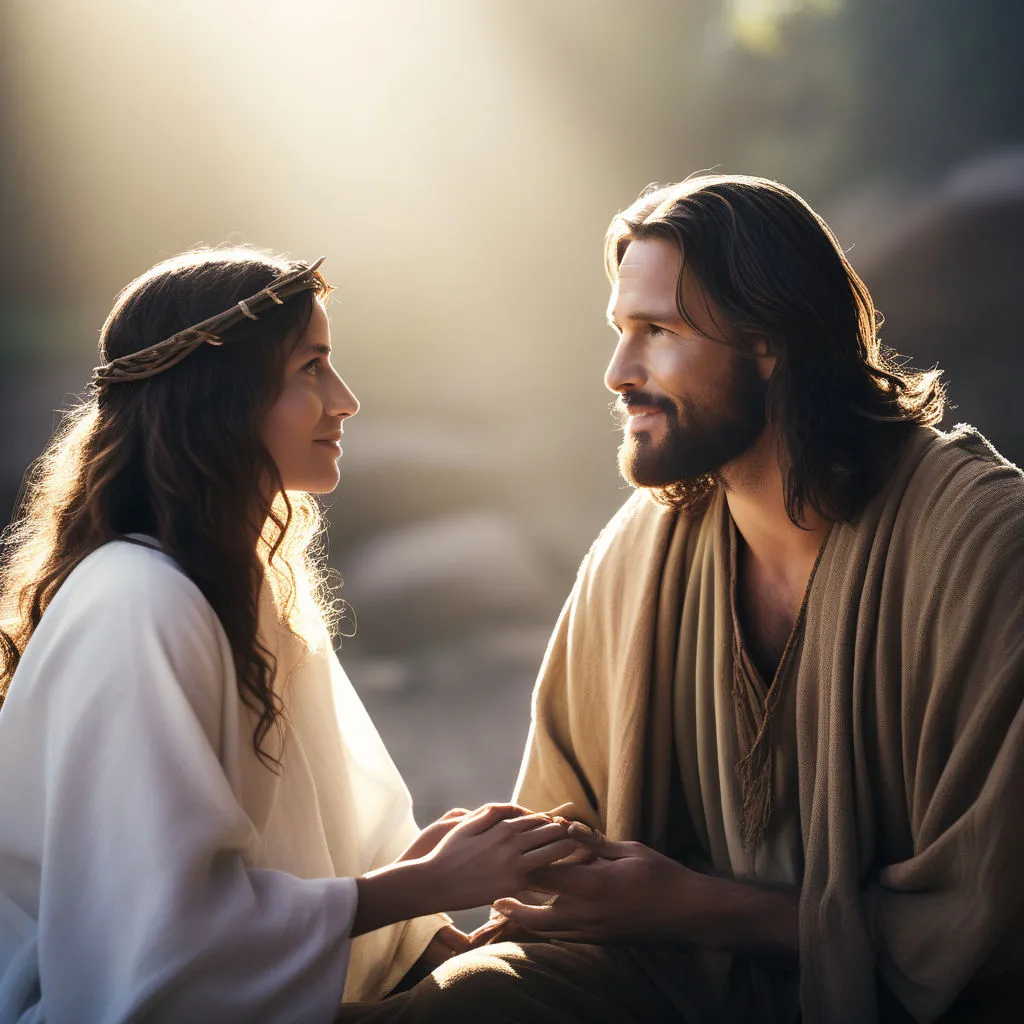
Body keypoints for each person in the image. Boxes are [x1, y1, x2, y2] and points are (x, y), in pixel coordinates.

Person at [336, 175, 1024, 1023]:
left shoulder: (982, 547)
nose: (618, 372)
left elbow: (987, 930)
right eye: (621, 332)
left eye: (656, 332)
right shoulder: (649, 543)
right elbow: (571, 815)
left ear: (769, 340)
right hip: (670, 978)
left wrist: (693, 906)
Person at [0, 248, 579, 1023]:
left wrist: (426, 927)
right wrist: (431, 883)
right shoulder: (138, 604)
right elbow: (158, 961)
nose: (345, 401)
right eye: (312, 368)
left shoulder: (241, 585)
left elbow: (327, 845)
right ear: (219, 395)